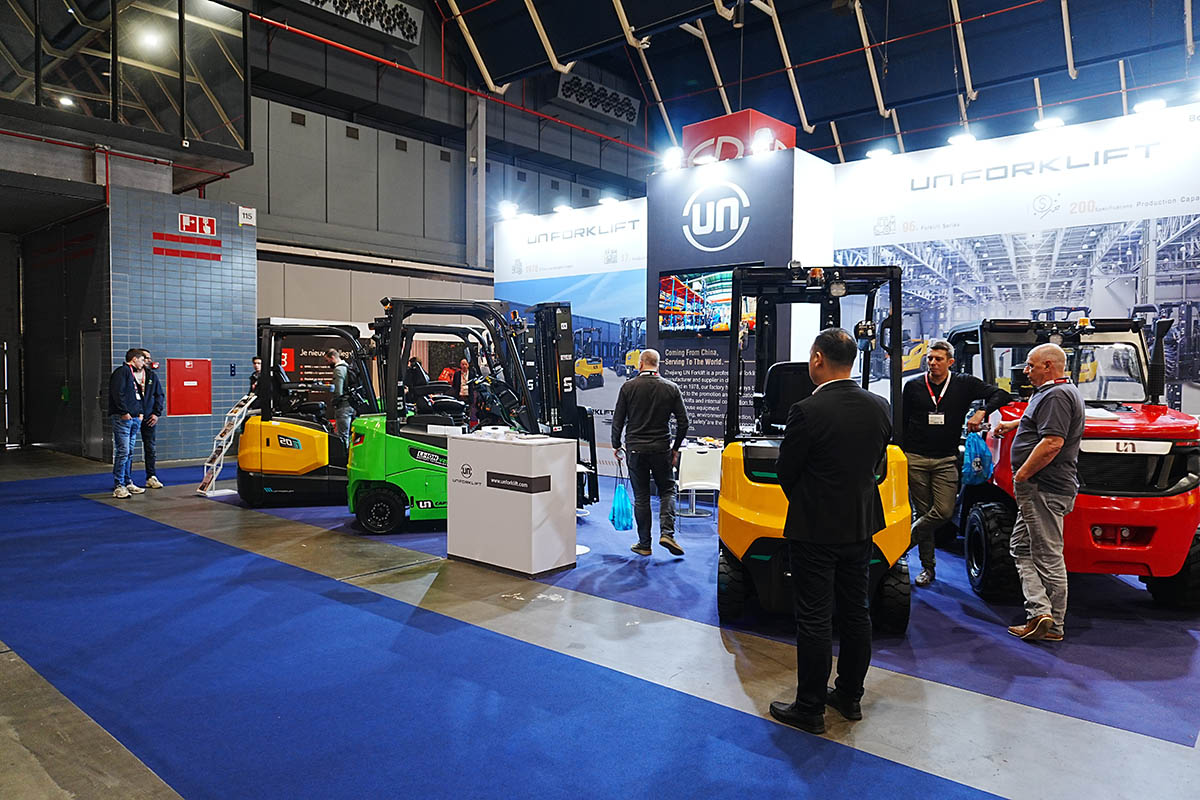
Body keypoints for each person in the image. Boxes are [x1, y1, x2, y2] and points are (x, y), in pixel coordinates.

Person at [770, 328, 893, 735]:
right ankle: (850, 696)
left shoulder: (806, 411)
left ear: (818, 359)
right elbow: (875, 464)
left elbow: (786, 471)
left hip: (815, 528)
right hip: (860, 525)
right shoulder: (880, 406)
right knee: (857, 612)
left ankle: (809, 707)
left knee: (815, 617)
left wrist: (810, 499)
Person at [992, 343, 1085, 643]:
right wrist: (1014, 424)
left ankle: (1054, 624)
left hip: (1043, 487)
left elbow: (1052, 442)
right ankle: (1039, 613)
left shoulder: (1057, 395)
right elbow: (1042, 422)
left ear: (1048, 366)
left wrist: (1022, 474)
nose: (1026, 371)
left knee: (1047, 555)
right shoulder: (1053, 392)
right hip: (1040, 488)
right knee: (1021, 548)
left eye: (1031, 365)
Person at [902, 339, 1012, 586]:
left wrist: (982, 411)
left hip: (946, 459)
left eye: (938, 359)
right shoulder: (913, 386)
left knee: (943, 511)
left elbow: (1001, 394)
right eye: (930, 358)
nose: (933, 363)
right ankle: (928, 568)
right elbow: (901, 419)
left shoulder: (964, 384)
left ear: (950, 362)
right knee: (924, 512)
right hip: (916, 457)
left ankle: (902, 543)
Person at [611, 348, 689, 557]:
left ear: (640, 364)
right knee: (667, 490)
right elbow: (684, 422)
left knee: (641, 496)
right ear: (658, 365)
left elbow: (618, 420)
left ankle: (644, 544)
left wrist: (616, 445)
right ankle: (667, 533)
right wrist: (675, 448)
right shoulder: (671, 388)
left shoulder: (628, 387)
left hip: (635, 449)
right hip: (661, 449)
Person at [108, 349, 147, 499]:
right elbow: (117, 393)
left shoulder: (131, 374)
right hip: (123, 418)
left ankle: (127, 481)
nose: (143, 363)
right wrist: (123, 411)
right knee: (123, 451)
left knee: (129, 452)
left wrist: (140, 412)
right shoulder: (122, 372)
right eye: (142, 360)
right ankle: (119, 485)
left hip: (135, 417)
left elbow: (137, 395)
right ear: (134, 359)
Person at [138, 349, 167, 489]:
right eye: (146, 358)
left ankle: (151, 476)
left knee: (150, 447)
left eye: (149, 358)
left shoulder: (151, 376)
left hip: (149, 417)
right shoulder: (127, 374)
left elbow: (159, 395)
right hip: (132, 417)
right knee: (126, 450)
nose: (149, 360)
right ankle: (124, 480)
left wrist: (156, 413)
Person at [325, 347, 356, 448]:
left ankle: (344, 455)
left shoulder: (338, 370)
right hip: (352, 405)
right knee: (351, 435)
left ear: (333, 357)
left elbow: (338, 391)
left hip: (343, 407)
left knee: (342, 436)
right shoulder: (347, 367)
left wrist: (334, 402)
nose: (327, 363)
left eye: (327, 360)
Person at [450, 357, 478, 425]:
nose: (464, 366)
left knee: (469, 412)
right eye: (463, 364)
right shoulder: (457, 374)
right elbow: (454, 385)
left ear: (468, 365)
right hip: (459, 395)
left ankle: (468, 424)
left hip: (468, 395)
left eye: (465, 364)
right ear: (460, 365)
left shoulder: (472, 373)